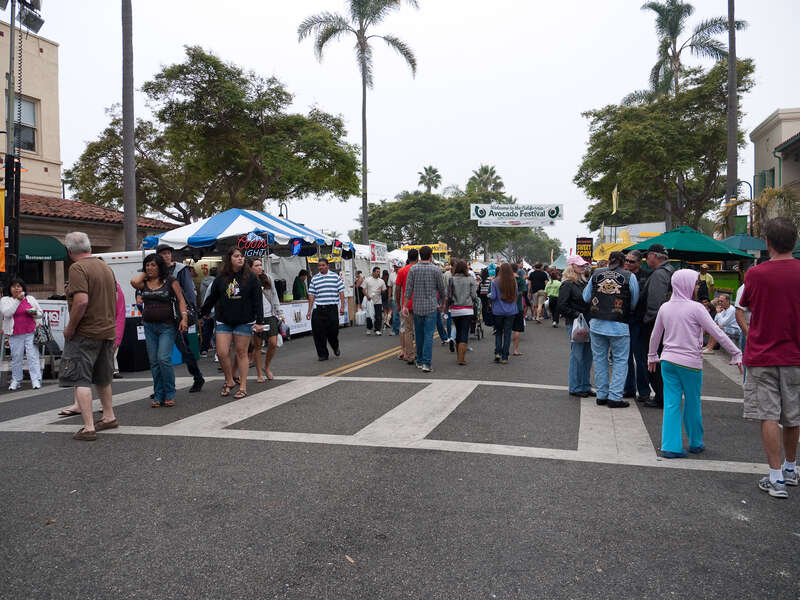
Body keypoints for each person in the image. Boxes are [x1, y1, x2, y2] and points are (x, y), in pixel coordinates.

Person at [647, 269, 742, 458]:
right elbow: (717, 332)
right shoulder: (696, 308)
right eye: (696, 283)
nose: (698, 286)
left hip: (667, 361)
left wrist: (651, 355)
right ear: (687, 284)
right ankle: (695, 442)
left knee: (672, 403)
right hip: (690, 363)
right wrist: (736, 352)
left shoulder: (665, 307)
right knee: (692, 402)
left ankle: (670, 446)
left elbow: (655, 335)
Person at [739, 217, 800, 498]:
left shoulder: (756, 274)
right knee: (793, 415)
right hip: (795, 355)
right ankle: (790, 467)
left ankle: (775, 477)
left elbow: (746, 305)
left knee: (768, 415)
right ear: (794, 241)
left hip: (762, 353)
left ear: (767, 243)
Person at [60, 232, 119, 441]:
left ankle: (88, 427)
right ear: (89, 246)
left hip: (86, 331)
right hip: (107, 329)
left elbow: (81, 301)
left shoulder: (77, 268)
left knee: (81, 378)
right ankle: (109, 416)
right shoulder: (105, 266)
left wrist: (70, 327)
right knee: (103, 377)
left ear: (69, 251)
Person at [200, 247, 264, 398]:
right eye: (236, 256)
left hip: (244, 320)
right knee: (222, 352)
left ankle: (242, 386)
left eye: (241, 256)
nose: (240, 258)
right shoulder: (221, 278)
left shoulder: (251, 277)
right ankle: (229, 380)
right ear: (229, 259)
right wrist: (202, 312)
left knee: (242, 353)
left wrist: (259, 321)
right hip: (224, 319)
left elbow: (258, 300)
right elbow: (212, 297)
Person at [582, 251, 639, 408]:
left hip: (597, 323)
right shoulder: (629, 276)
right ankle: (614, 397)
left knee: (600, 360)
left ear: (609, 261)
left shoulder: (596, 273)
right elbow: (634, 301)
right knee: (620, 361)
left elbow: (586, 297)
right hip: (619, 324)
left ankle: (601, 395)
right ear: (622, 262)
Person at [130, 253, 188, 407]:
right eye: (147, 265)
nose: (150, 267)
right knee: (154, 362)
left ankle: (170, 393)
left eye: (153, 265)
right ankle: (158, 394)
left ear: (160, 267)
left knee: (163, 359)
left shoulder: (170, 281)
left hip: (167, 326)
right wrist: (145, 271)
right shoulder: (144, 283)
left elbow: (181, 300)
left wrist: (184, 318)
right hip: (149, 326)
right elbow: (133, 282)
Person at [156, 244, 204, 393]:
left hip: (178, 315)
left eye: (168, 253)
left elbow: (189, 291)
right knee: (161, 355)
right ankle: (161, 386)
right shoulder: (156, 270)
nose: (166, 256)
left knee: (184, 349)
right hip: (161, 315)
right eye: (163, 253)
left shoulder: (180, 269)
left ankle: (197, 377)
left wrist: (192, 313)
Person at [639, 243, 675, 408]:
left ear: (654, 255)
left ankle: (660, 396)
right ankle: (662, 395)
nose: (646, 258)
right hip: (667, 324)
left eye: (648, 255)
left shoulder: (660, 274)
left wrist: (648, 321)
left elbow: (655, 303)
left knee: (653, 360)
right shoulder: (670, 271)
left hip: (655, 325)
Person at [403, 245, 445, 373]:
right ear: (431, 255)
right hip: (431, 306)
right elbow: (442, 289)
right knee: (428, 335)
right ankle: (426, 363)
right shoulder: (436, 270)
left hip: (417, 306)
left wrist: (405, 305)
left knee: (419, 335)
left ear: (420, 255)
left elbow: (408, 289)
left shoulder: (413, 269)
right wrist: (443, 303)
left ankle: (420, 360)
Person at [559, 256, 593, 398]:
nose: (583, 267)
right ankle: (575, 387)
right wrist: (576, 314)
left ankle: (584, 385)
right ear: (571, 266)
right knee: (578, 355)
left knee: (587, 356)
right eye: (579, 265)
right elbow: (561, 306)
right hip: (576, 323)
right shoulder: (567, 284)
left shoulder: (581, 283)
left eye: (583, 265)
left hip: (586, 322)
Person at [1, 278, 42, 390]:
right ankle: (16, 380)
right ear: (9, 288)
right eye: (14, 286)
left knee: (32, 356)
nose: (17, 288)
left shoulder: (30, 298)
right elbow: (7, 313)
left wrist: (32, 312)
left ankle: (35, 379)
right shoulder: (5, 300)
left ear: (23, 288)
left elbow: (40, 313)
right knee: (16, 357)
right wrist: (18, 301)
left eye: (19, 286)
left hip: (30, 332)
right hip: (15, 333)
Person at [623, 250, 651, 403]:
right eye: (626, 260)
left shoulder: (647, 276)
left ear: (640, 263)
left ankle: (644, 391)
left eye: (631, 261)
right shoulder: (622, 275)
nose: (627, 263)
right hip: (624, 320)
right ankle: (629, 388)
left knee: (640, 358)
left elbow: (644, 299)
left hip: (640, 322)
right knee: (625, 357)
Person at [251, 257, 283, 383]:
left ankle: (267, 366)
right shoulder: (247, 280)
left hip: (270, 315)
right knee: (257, 346)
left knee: (273, 343)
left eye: (260, 265)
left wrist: (279, 312)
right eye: (256, 265)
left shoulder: (267, 278)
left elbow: (274, 295)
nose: (260, 267)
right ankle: (259, 373)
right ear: (250, 268)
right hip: (255, 317)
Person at [306, 258, 345, 361]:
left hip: (331, 308)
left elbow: (341, 292)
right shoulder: (315, 278)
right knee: (318, 333)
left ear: (328, 266)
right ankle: (322, 354)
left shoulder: (335, 277)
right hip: (318, 309)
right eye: (319, 266)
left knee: (333, 332)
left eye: (323, 265)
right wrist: (309, 310)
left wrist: (342, 307)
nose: (321, 267)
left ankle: (335, 346)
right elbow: (311, 295)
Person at [445, 259, 477, 365]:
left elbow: (449, 296)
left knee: (458, 331)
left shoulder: (452, 279)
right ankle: (462, 358)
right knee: (464, 332)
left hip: (455, 309)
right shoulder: (471, 279)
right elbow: (473, 296)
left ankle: (459, 356)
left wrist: (446, 309)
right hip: (467, 309)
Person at [489, 263, 518, 364]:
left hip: (498, 311)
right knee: (507, 334)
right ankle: (505, 356)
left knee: (498, 332)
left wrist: (489, 296)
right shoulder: (513, 281)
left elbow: (493, 297)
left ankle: (497, 353)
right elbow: (516, 294)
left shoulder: (495, 281)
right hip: (511, 311)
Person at [395, 249, 418, 364]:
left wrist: (398, 303)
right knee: (419, 330)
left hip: (406, 304)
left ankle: (408, 355)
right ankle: (419, 354)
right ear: (417, 257)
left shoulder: (402, 271)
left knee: (407, 330)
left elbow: (398, 289)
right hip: (420, 304)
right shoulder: (419, 270)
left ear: (408, 257)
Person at [361, 266, 387, 336]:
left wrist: (382, 291)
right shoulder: (367, 280)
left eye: (379, 272)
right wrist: (367, 296)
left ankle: (377, 329)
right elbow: (363, 290)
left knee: (378, 316)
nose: (378, 273)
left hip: (378, 301)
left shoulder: (381, 281)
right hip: (370, 301)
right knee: (369, 315)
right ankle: (369, 328)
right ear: (373, 272)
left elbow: (384, 290)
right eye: (377, 272)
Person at [199, 267, 218, 356]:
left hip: (206, 308)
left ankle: (204, 350)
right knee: (218, 330)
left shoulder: (203, 282)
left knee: (207, 330)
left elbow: (205, 296)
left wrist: (205, 310)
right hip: (215, 310)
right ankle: (217, 351)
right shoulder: (217, 283)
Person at [510, 263, 526, 356]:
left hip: (507, 307)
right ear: (517, 270)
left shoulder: (506, 280)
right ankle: (515, 350)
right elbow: (521, 292)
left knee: (506, 328)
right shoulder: (521, 280)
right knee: (517, 329)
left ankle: (505, 348)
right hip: (518, 306)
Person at [388, 264, 400, 336]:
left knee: (404, 315)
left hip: (403, 297)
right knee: (395, 315)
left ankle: (404, 329)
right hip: (395, 298)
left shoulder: (404, 273)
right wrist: (389, 296)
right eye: (395, 267)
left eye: (397, 267)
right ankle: (395, 330)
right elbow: (390, 286)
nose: (396, 268)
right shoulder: (391, 275)